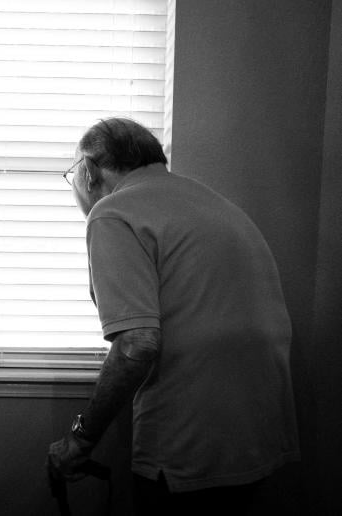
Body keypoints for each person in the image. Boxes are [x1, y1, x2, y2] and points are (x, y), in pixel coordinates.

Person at [46, 118, 300, 515]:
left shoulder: (113, 211)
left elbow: (136, 345)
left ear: (89, 173)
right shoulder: (215, 203)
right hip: (259, 431)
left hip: (189, 439)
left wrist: (80, 439)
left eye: (70, 176)